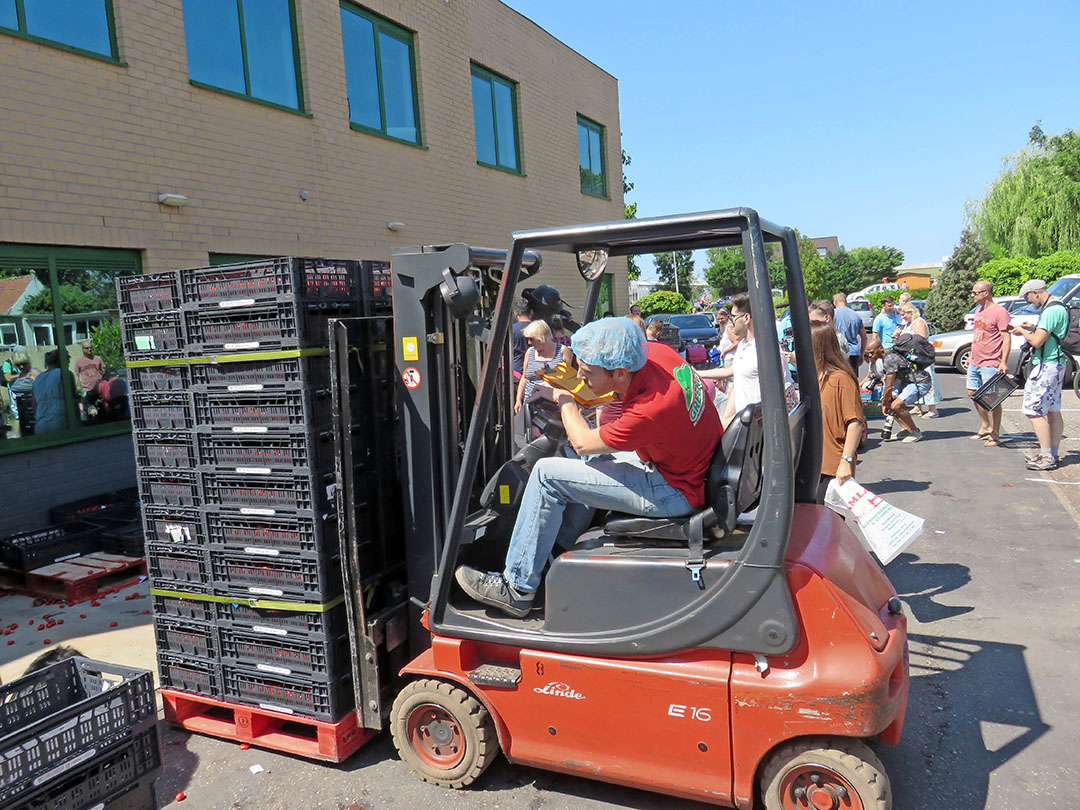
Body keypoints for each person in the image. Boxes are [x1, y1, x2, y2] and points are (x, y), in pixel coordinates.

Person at [454, 317, 721, 617]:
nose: (580, 375)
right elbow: (610, 399)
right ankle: (556, 554)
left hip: (675, 490)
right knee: (590, 461)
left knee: (546, 474)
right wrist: (586, 390)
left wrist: (565, 398)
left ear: (619, 371)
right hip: (687, 467)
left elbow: (581, 441)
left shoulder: (652, 408)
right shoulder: (655, 355)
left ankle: (517, 588)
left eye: (587, 371)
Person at [1011, 279, 1070, 471]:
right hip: (1058, 363)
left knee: (1033, 410)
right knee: (1053, 410)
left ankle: (1046, 456)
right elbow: (1049, 335)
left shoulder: (1050, 311)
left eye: (1028, 297)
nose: (1028, 301)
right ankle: (1051, 453)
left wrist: (1023, 331)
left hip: (1046, 365)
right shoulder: (1059, 306)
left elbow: (1037, 342)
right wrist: (1032, 329)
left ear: (1036, 292)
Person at [812, 323, 864, 501]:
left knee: (829, 522)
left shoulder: (841, 378)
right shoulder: (818, 377)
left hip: (833, 467)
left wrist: (846, 461)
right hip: (816, 465)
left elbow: (855, 423)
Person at [966, 280, 1011, 445]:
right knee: (973, 393)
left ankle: (995, 433)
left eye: (975, 293)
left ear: (986, 293)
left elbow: (1006, 337)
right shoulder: (979, 311)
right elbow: (977, 335)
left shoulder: (1000, 312)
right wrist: (971, 354)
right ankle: (985, 426)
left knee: (992, 399)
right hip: (976, 361)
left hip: (991, 362)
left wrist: (1003, 362)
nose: (972, 295)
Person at [867, 335, 930, 443]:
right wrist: (887, 400)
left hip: (920, 382)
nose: (869, 355)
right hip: (906, 381)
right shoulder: (884, 356)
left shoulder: (889, 359)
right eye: (868, 353)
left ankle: (915, 432)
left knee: (896, 405)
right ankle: (906, 429)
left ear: (880, 349)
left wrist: (884, 402)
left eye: (872, 352)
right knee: (891, 402)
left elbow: (889, 385)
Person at [514, 319, 572, 420]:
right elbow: (525, 377)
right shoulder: (530, 352)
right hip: (530, 405)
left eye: (531, 339)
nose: (529, 342)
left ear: (541, 337)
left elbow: (569, 380)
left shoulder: (563, 351)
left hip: (552, 406)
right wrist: (518, 399)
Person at [898, 302, 941, 418]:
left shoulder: (919, 323)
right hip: (914, 358)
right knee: (915, 381)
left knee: (927, 380)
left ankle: (933, 409)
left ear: (910, 312)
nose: (902, 317)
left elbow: (919, 340)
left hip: (922, 357)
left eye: (903, 314)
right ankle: (918, 406)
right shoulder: (910, 323)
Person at [32, 349, 69, 434]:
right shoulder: (63, 374)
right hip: (60, 422)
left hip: (41, 425)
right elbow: (72, 400)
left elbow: (34, 405)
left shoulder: (38, 378)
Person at [832, 293, 867, 376]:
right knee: (853, 379)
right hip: (854, 352)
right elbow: (864, 336)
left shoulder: (832, 314)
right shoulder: (855, 315)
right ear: (846, 302)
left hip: (839, 352)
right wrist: (862, 354)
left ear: (834, 303)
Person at [510, 298, 532, 378]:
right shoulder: (539, 328)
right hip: (535, 371)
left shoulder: (511, 330)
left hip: (515, 371)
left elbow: (502, 351)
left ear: (515, 314)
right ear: (531, 313)